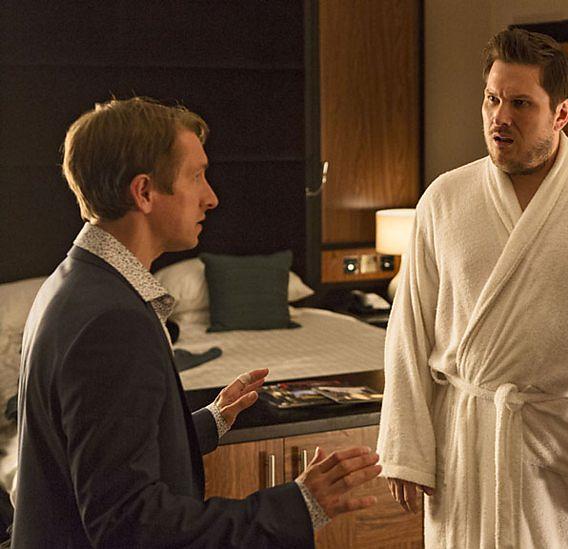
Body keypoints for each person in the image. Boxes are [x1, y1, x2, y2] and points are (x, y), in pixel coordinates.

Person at [14, 97, 382, 547]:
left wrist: (209, 421)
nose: (211, 197)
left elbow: (97, 451)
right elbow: (131, 524)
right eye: (196, 176)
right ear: (144, 192)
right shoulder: (113, 321)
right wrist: (299, 505)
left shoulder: (75, 281)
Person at [377, 28, 568, 548]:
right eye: (492, 99)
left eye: (520, 103)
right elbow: (409, 334)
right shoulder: (444, 199)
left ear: (561, 113)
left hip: (564, 455)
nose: (500, 117)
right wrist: (406, 450)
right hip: (465, 451)